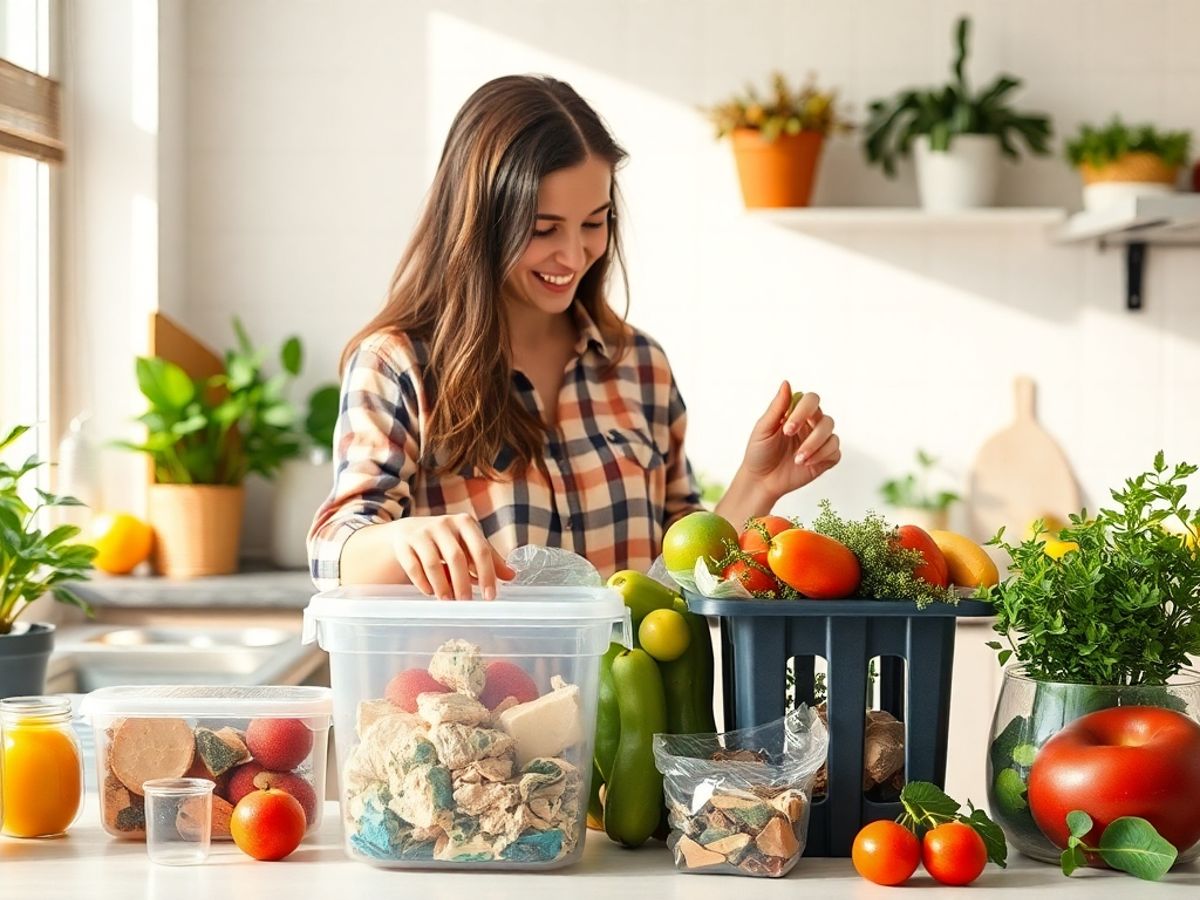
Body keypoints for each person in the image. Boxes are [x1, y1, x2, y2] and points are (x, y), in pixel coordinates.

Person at [307, 74, 841, 598]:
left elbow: (682, 576)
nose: (573, 255)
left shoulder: (639, 366)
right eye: (543, 229)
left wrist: (758, 483)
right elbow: (332, 549)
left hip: (629, 687)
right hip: (480, 687)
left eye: (593, 222)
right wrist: (402, 537)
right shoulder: (399, 364)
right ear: (482, 223)